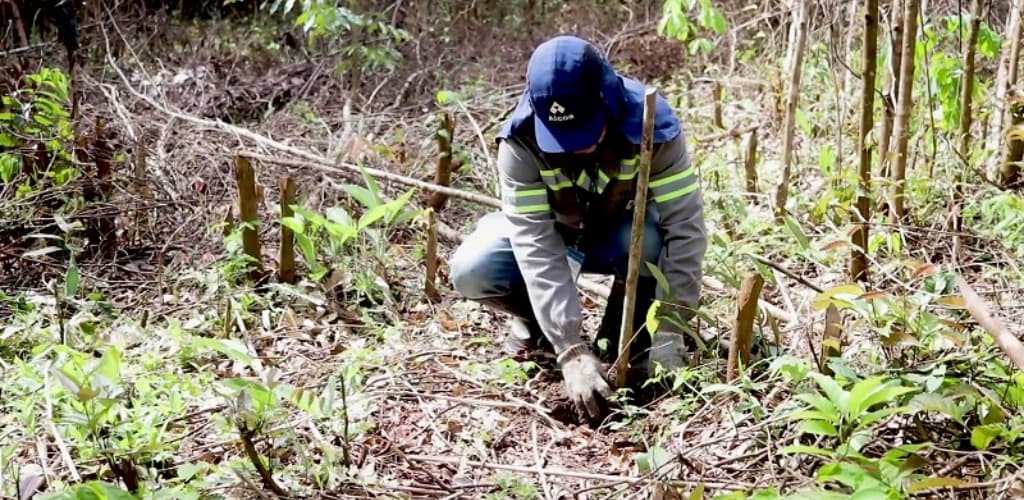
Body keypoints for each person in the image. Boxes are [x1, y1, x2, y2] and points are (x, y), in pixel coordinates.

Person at [449, 35, 707, 421]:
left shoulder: (654, 125)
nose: (576, 148)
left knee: (652, 239)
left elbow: (684, 229)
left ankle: (631, 330)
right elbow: (534, 242)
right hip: (557, 235)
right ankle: (539, 325)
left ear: (608, 98)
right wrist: (569, 346)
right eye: (563, 139)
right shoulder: (520, 142)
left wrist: (671, 327)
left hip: (623, 236)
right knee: (473, 269)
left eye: (587, 130)